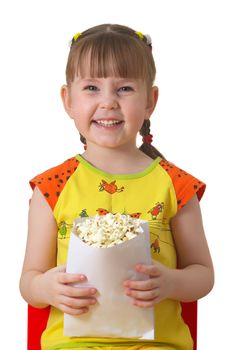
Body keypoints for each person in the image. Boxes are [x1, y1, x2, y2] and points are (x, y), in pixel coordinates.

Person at [19, 23, 214, 350]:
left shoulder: (176, 186)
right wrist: (46, 288)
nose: (108, 102)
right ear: (68, 100)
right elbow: (29, 282)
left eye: (124, 88)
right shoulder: (51, 188)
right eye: (92, 88)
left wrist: (171, 283)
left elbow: (203, 275)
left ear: (150, 100)